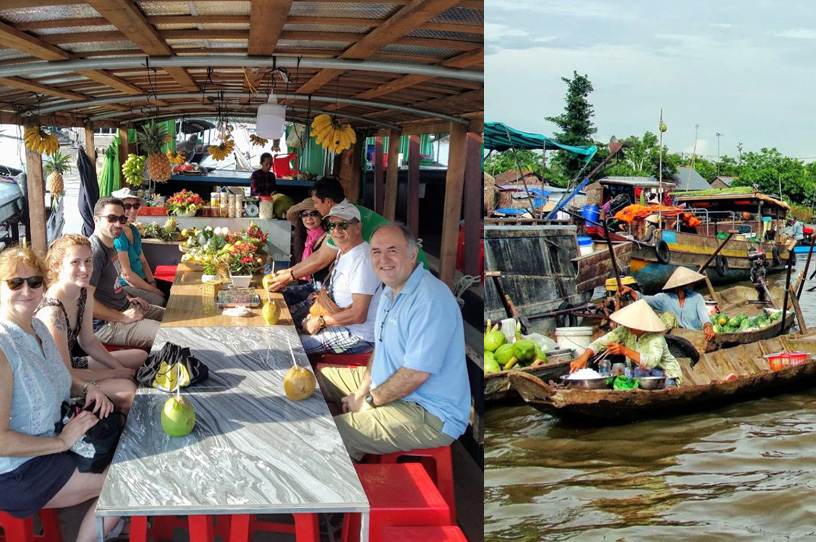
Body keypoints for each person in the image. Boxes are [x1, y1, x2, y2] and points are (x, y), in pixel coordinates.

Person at [317, 223, 470, 460]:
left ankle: (344, 485)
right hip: (389, 384)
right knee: (317, 378)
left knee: (332, 435)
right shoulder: (391, 290)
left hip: (429, 412)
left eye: (392, 250)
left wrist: (368, 400)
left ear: (412, 254)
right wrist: (361, 392)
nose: (383, 259)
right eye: (376, 251)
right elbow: (381, 347)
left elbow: (416, 374)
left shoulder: (430, 299)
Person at [0, 247, 121, 542]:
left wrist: (89, 387)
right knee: (126, 481)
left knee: (128, 446)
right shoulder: (3, 347)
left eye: (35, 281)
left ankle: (112, 522)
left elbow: (64, 379)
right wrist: (61, 441)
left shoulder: (39, 327)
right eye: (15, 283)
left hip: (51, 444)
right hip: (18, 471)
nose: (27, 290)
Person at [266, 177, 428, 292]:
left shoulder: (345, 219)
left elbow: (321, 260)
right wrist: (289, 272)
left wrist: (290, 275)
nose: (315, 208)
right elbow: (321, 255)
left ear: (328, 202)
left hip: (410, 264)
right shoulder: (343, 215)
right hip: (407, 260)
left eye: (315, 203)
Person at [36, 234, 140, 412]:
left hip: (70, 366)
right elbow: (64, 373)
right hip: (54, 379)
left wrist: (118, 367)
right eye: (75, 262)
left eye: (88, 261)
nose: (84, 269)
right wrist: (115, 373)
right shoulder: (53, 312)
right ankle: (119, 428)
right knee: (127, 389)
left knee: (139, 357)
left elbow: (88, 341)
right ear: (57, 266)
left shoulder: (83, 293)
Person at [295, 203, 381, 355]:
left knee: (292, 346)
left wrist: (320, 321)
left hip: (357, 335)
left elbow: (358, 315)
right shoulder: (345, 251)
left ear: (358, 227)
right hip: (339, 321)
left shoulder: (362, 261)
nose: (336, 230)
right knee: (290, 325)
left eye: (342, 225)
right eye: (331, 225)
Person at [89, 196, 164, 350]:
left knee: (175, 318)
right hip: (106, 325)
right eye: (111, 218)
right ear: (96, 220)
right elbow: (84, 300)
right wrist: (122, 317)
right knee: (167, 334)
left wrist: (130, 298)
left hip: (124, 308)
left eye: (122, 219)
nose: (118, 224)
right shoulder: (94, 253)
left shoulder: (110, 246)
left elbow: (112, 285)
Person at [569, 299, 683, 386]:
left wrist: (624, 351)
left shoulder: (656, 338)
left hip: (665, 376)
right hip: (640, 374)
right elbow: (600, 343)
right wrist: (584, 357)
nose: (629, 326)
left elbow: (651, 362)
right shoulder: (625, 331)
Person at [620, 267, 715, 341]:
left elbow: (704, 316)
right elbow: (644, 299)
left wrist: (708, 326)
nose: (692, 285)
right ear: (680, 286)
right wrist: (631, 291)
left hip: (694, 335)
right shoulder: (664, 298)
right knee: (668, 316)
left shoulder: (697, 297)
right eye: (690, 284)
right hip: (674, 337)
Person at [111, 187, 166, 307]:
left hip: (141, 280)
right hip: (127, 285)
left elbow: (143, 261)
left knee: (172, 290)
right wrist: (154, 291)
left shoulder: (134, 229)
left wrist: (152, 283)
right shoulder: (119, 236)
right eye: (127, 206)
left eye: (135, 206)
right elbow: (127, 275)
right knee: (160, 301)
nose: (132, 210)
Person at [280, 198, 329, 312]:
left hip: (324, 289)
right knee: (280, 296)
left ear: (322, 216)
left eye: (313, 214)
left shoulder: (329, 238)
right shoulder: (304, 237)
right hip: (311, 285)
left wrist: (288, 276)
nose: (309, 218)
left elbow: (318, 262)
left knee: (291, 314)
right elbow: (303, 264)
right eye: (304, 214)